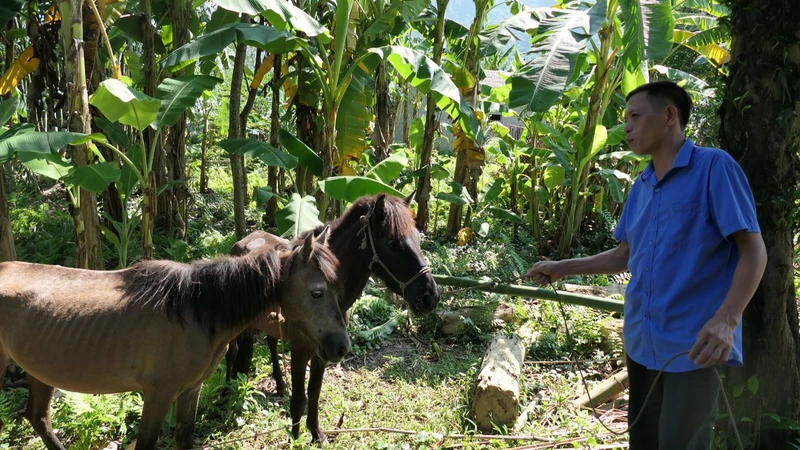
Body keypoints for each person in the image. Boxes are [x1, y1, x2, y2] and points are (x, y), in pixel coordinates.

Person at [524, 80, 767, 449]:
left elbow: (754, 250)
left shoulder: (714, 168)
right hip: (641, 342)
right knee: (644, 441)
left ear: (669, 115)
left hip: (693, 347)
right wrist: (562, 267)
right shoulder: (642, 185)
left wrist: (726, 320)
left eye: (635, 116)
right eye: (625, 119)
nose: (627, 127)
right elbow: (625, 255)